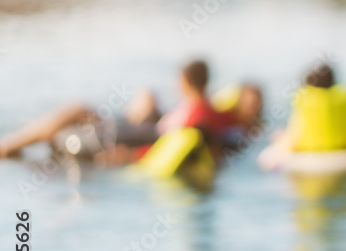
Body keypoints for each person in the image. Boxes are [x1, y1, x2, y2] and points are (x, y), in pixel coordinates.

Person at [0, 60, 261, 164]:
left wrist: (133, 156)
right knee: (146, 95)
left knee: (78, 109)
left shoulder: (201, 117)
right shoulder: (217, 112)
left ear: (184, 81)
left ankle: (9, 145)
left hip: (142, 136)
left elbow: (173, 143)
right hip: (148, 129)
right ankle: (13, 144)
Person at [271, 63, 346, 153]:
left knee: (278, 134)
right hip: (345, 150)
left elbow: (294, 135)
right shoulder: (343, 98)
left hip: (309, 153)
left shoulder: (303, 100)